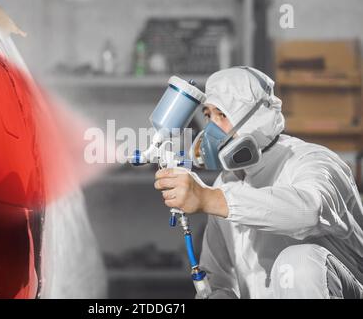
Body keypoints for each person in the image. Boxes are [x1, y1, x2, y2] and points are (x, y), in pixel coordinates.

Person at [154, 66, 363, 299]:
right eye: (207, 115)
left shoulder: (312, 160)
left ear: (256, 119)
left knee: (298, 264)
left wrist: (208, 198)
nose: (211, 129)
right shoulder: (226, 184)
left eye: (222, 115)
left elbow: (310, 211)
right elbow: (218, 277)